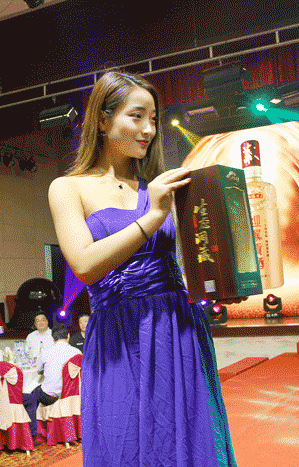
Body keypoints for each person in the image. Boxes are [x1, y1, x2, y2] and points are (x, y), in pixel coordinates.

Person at [47, 71, 237, 466]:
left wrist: (226, 278)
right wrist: (152, 217)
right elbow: (84, 265)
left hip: (177, 328)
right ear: (102, 120)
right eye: (136, 116)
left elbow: (194, 257)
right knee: (125, 444)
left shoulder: (158, 187)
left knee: (188, 442)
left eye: (153, 119)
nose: (148, 129)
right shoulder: (68, 187)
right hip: (118, 336)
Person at [27, 327, 82, 429]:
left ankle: (34, 429)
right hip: (71, 395)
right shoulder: (77, 352)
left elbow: (39, 371)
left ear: (53, 339)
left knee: (31, 393)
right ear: (68, 336)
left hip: (50, 397)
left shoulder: (46, 352)